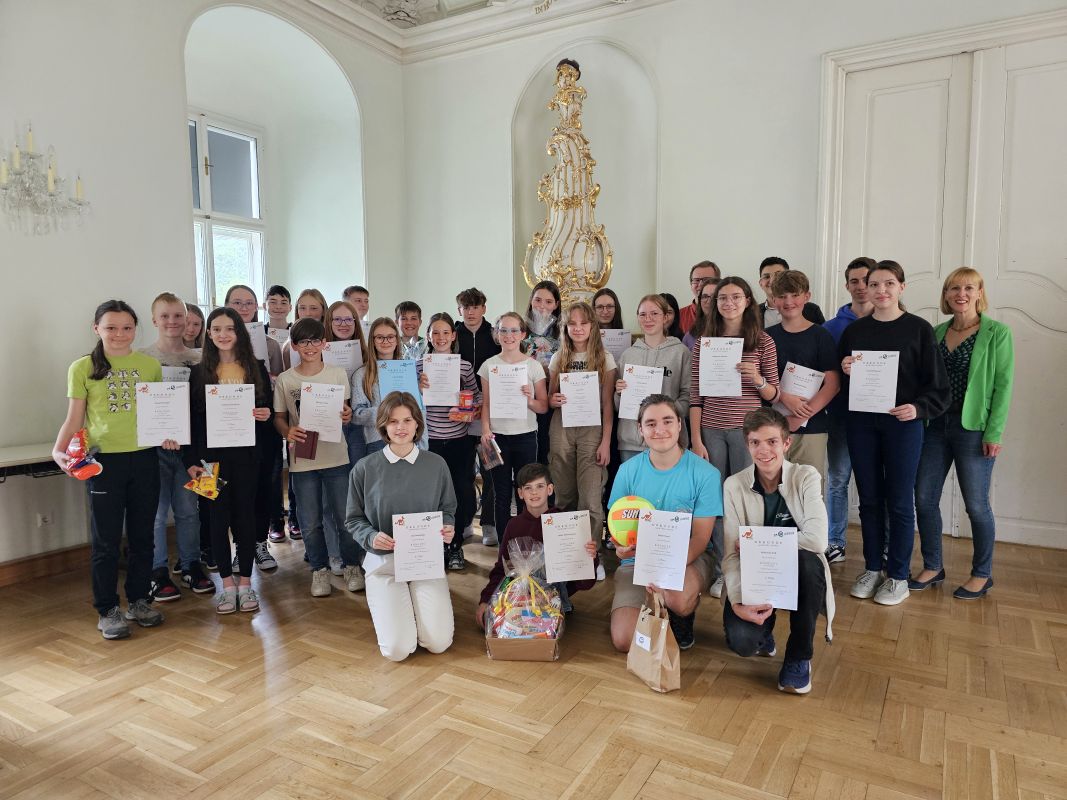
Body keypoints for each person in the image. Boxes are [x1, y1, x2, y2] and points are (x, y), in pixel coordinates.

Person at [53, 300, 166, 639]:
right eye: (111, 327)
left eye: (127, 328)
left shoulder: (150, 366)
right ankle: (107, 609)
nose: (119, 334)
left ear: (135, 329)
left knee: (143, 536)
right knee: (106, 541)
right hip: (103, 464)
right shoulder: (82, 367)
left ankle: (139, 600)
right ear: (96, 329)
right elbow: (74, 418)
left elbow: (161, 413)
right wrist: (58, 449)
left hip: (145, 459)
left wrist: (170, 433)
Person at [840, 260, 951, 606]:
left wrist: (918, 408)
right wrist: (845, 368)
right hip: (862, 424)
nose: (881, 290)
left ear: (902, 287)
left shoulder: (919, 329)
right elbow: (841, 380)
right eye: (874, 284)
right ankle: (873, 568)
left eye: (889, 283)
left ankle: (898, 575)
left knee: (900, 501)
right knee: (869, 499)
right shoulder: (855, 332)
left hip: (902, 426)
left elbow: (939, 387)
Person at [911, 267, 1014, 600]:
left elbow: (1003, 387)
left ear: (980, 293)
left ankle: (982, 574)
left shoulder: (997, 333)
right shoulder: (936, 332)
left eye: (969, 288)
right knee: (924, 498)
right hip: (934, 426)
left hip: (974, 429)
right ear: (945, 294)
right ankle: (933, 566)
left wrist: (994, 433)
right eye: (954, 288)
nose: (961, 294)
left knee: (977, 505)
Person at [720, 408, 835, 694]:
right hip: (756, 577)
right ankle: (764, 631)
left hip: (798, 572)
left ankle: (798, 656)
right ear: (747, 445)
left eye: (772, 441)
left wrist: (756, 541)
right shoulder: (734, 485)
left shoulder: (806, 476)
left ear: (786, 443)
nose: (763, 450)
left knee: (809, 563)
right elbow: (731, 554)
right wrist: (736, 601)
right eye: (755, 442)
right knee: (743, 643)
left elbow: (818, 541)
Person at [345, 392, 458, 661]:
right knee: (397, 650)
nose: (401, 427)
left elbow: (448, 509)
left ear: (417, 423)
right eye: (393, 421)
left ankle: (417, 617)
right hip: (384, 564)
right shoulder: (364, 468)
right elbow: (353, 519)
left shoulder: (436, 465)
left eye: (407, 420)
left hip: (424, 563)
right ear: (383, 425)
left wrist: (447, 526)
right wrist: (371, 536)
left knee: (439, 642)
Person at [608, 394, 722, 651]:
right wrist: (620, 549)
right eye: (650, 424)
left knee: (676, 597)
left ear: (680, 424)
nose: (659, 430)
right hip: (636, 562)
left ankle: (680, 613)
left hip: (689, 559)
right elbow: (617, 531)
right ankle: (649, 609)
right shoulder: (627, 471)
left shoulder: (706, 474)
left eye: (667, 421)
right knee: (624, 640)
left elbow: (701, 538)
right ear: (640, 429)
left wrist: (665, 569)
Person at [690, 277, 780, 599]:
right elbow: (696, 396)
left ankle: (747, 569)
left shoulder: (763, 341)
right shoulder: (704, 343)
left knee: (746, 499)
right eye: (722, 298)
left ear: (747, 301)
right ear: (715, 304)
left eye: (736, 297)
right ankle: (721, 571)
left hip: (748, 434)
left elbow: (773, 395)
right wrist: (696, 440)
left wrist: (757, 378)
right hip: (711, 431)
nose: (729, 303)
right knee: (715, 502)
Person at [185, 308, 274, 614]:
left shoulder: (256, 368)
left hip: (247, 457)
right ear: (208, 334)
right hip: (208, 461)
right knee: (216, 519)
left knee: (245, 517)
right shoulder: (198, 372)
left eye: (230, 328)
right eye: (216, 329)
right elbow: (192, 422)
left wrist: (265, 414)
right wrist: (190, 461)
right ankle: (226, 585)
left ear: (239, 332)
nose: (223, 334)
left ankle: (246, 583)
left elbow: (267, 410)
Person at [274, 317, 363, 596]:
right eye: (303, 341)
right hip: (303, 461)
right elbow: (279, 418)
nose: (310, 346)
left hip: (336, 457)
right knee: (310, 522)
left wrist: (347, 414)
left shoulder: (337, 374)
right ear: (294, 346)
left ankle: (351, 566)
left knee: (345, 517)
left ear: (324, 343)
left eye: (315, 340)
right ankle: (319, 570)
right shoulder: (286, 379)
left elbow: (344, 411)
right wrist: (287, 431)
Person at [138, 292, 213, 601]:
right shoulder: (141, 358)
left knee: (190, 510)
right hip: (153, 449)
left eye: (178, 316)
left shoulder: (201, 358)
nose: (172, 321)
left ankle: (192, 564)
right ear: (154, 320)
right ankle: (157, 572)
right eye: (165, 316)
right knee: (156, 514)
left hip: (192, 450)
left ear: (188, 320)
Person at [475, 463, 599, 626]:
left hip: (553, 599)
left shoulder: (565, 523)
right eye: (528, 488)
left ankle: (548, 613)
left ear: (550, 489)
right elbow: (502, 569)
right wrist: (486, 599)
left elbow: (585, 583)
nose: (534, 492)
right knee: (489, 621)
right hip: (518, 597)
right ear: (520, 493)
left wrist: (590, 558)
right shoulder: (513, 525)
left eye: (540, 486)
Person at [547, 302, 617, 553]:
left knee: (590, 496)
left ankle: (592, 555)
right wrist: (553, 400)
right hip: (562, 427)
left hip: (592, 429)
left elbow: (608, 404)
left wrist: (606, 441)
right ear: (564, 327)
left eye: (583, 323)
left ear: (593, 326)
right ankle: (567, 555)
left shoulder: (604, 358)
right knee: (564, 493)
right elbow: (549, 397)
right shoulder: (558, 357)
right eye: (572, 324)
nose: (578, 328)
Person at [416, 312, 481, 570]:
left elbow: (477, 398)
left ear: (453, 336)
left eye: (446, 332)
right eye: (435, 332)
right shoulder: (418, 366)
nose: (441, 337)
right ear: (428, 336)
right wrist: (417, 387)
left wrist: (468, 409)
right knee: (431, 496)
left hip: (459, 441)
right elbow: (407, 401)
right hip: (429, 441)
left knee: (461, 493)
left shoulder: (464, 366)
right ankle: (434, 548)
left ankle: (455, 546)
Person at [224, 284, 282, 566]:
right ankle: (240, 549)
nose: (243, 308)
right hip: (227, 434)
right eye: (237, 302)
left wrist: (267, 409)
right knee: (236, 494)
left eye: (249, 302)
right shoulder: (212, 355)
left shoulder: (267, 349)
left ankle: (260, 543)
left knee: (262, 490)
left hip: (262, 432)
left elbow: (276, 393)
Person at [821, 257, 875, 562]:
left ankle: (878, 546)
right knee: (838, 479)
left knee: (875, 484)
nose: (861, 286)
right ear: (847, 285)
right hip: (841, 416)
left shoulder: (893, 323)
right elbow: (823, 374)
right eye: (854, 281)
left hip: (879, 418)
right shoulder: (830, 328)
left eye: (867, 280)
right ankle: (835, 541)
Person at [764, 270, 841, 478]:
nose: (789, 302)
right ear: (773, 300)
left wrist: (801, 416)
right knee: (773, 488)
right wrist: (784, 401)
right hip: (772, 427)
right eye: (782, 296)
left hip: (812, 428)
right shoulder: (766, 337)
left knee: (809, 488)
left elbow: (833, 384)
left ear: (807, 296)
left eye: (795, 295)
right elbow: (761, 382)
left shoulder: (821, 335)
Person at [479, 312, 549, 538]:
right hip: (496, 438)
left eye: (513, 330)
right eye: (503, 330)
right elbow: (486, 403)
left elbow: (543, 407)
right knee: (500, 493)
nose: (508, 335)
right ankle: (505, 546)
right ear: (496, 334)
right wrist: (485, 430)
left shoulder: (533, 366)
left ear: (523, 334)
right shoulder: (489, 365)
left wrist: (529, 400)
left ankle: (525, 542)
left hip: (526, 437)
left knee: (526, 492)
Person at [615, 294, 691, 461]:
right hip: (631, 443)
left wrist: (667, 415)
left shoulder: (681, 352)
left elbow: (688, 395)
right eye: (642, 314)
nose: (648, 319)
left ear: (665, 317)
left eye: (654, 313)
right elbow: (618, 405)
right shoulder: (627, 355)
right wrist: (619, 393)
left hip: (668, 441)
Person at [455, 287, 501, 546]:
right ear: (459, 310)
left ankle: (489, 523)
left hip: (489, 415)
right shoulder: (453, 335)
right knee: (463, 473)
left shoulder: (495, 335)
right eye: (466, 307)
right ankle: (464, 521)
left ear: (484, 308)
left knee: (490, 469)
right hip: (459, 416)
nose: (471, 312)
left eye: (475, 307)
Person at [325, 299, 369, 472]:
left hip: (358, 422)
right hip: (331, 420)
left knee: (358, 473)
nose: (343, 324)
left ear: (355, 322)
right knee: (334, 476)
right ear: (329, 322)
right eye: (337, 319)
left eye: (349, 319)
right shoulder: (317, 353)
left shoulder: (367, 354)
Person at [524, 280, 561, 466]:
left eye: (548, 301)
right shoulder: (520, 330)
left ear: (556, 305)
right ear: (531, 301)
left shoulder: (562, 333)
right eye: (538, 300)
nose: (542, 306)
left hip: (550, 395)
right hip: (524, 395)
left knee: (546, 447)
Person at [757, 257, 825, 327]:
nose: (772, 280)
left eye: (778, 275)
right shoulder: (753, 313)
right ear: (760, 283)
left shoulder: (812, 310)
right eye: (766, 277)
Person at [679, 260, 721, 334]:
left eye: (707, 280)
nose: (701, 284)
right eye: (696, 280)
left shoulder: (727, 313)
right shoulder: (679, 316)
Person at [682, 277, 719, 351]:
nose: (709, 301)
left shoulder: (738, 332)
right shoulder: (690, 336)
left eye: (715, 296)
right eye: (705, 296)